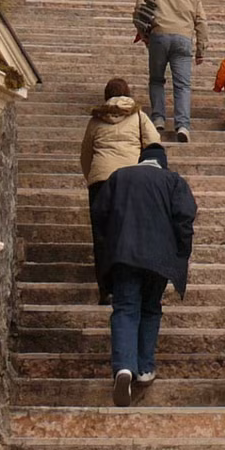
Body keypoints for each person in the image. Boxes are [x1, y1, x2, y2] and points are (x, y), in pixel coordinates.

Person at [90, 142, 197, 406]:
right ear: (162, 162)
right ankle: (145, 367)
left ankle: (124, 367)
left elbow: (99, 214)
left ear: (141, 159)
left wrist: (109, 247)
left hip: (123, 255)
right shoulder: (173, 181)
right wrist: (181, 253)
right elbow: (184, 218)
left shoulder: (119, 177)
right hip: (159, 258)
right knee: (150, 308)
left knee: (125, 308)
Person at [79, 76, 162, 300]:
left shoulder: (95, 120)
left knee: (102, 234)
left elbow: (85, 154)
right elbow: (154, 143)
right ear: (128, 94)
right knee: (129, 231)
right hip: (131, 179)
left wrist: (93, 177)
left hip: (100, 181)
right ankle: (130, 284)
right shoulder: (138, 116)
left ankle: (106, 288)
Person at [140, 0, 208, 142]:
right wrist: (200, 50)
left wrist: (144, 34)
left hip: (159, 36)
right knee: (182, 85)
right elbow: (202, 24)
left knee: (156, 80)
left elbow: (140, 11)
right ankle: (183, 125)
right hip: (183, 39)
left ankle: (158, 119)